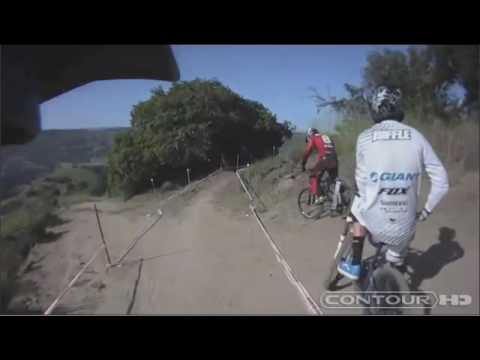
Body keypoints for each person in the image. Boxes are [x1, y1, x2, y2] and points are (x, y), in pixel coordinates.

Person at [337, 86, 449, 280]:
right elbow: (442, 183)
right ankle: (395, 265)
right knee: (397, 254)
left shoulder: (364, 138)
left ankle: (355, 264)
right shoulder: (417, 136)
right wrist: (425, 211)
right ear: (399, 109)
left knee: (357, 210)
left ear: (374, 109)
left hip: (373, 222)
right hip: (406, 228)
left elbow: (361, 180)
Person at [301, 127, 339, 207]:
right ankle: (340, 201)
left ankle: (320, 197)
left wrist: (303, 164)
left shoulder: (313, 138)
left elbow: (307, 152)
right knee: (334, 181)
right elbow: (328, 148)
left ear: (310, 134)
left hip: (325, 159)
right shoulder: (326, 137)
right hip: (334, 158)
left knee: (313, 176)